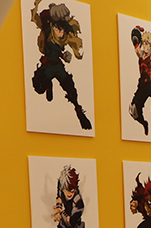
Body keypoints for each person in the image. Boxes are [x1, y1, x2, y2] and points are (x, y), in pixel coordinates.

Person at [29, 0, 91, 130]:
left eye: (62, 29)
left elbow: (69, 46)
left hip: (58, 66)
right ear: (52, 25)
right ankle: (48, 86)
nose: (60, 32)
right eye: (57, 28)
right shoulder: (47, 32)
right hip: (47, 65)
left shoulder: (64, 37)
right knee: (39, 85)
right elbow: (37, 19)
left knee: (70, 88)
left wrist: (65, 55)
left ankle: (78, 110)